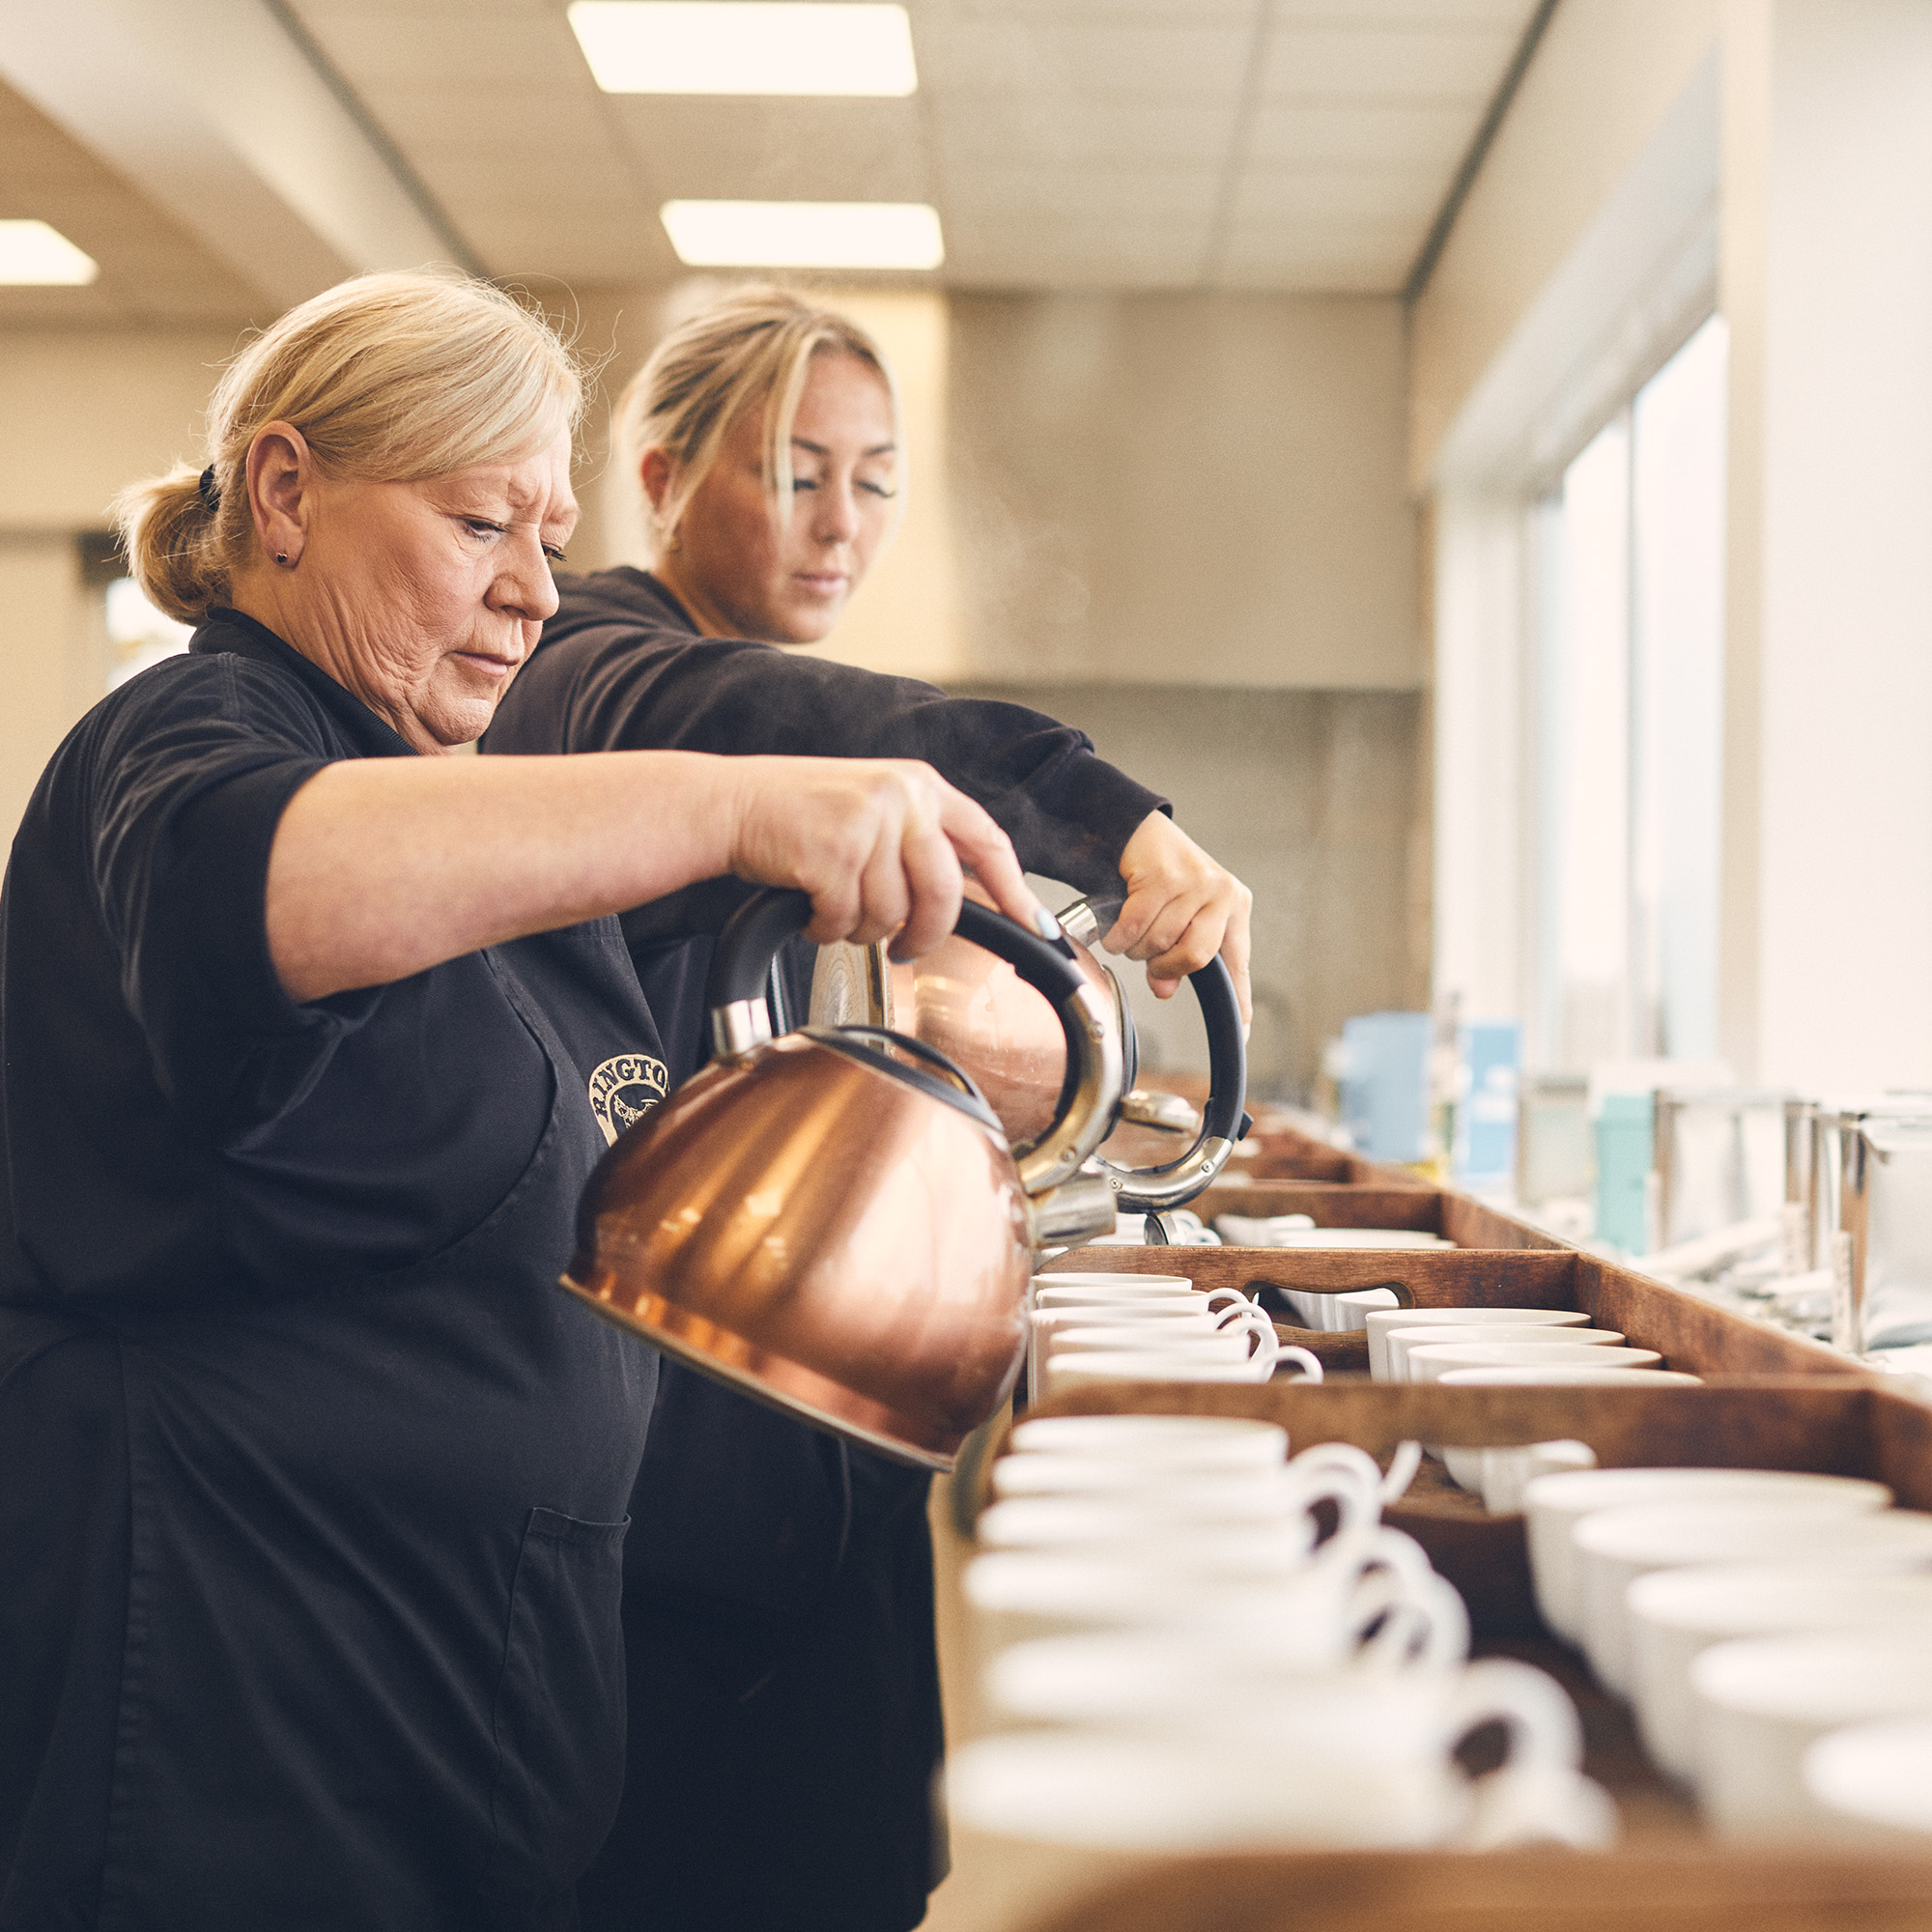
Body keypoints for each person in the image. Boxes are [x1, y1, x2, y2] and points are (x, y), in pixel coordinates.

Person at [0, 270, 1047, 1932]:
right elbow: (251, 880)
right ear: (285, 494)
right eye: (483, 522)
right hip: (232, 1740)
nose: (533, 595)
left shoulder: (460, 814)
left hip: (465, 1748)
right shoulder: (187, 736)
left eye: (548, 539)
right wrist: (731, 804)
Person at [483, 287, 1253, 1932]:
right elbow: (806, 734)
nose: (845, 526)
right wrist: (1102, 817)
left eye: (879, 479)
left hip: (788, 1440)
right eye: (797, 472)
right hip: (653, 1440)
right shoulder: (589, 669)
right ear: (664, 474)